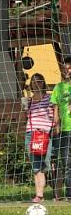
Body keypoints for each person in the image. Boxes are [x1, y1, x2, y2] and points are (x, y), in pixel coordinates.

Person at [25, 73, 54, 203]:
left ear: (43, 83)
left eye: (40, 81)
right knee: (35, 166)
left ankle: (48, 190)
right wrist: (24, 105)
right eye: (34, 81)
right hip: (31, 134)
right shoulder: (29, 100)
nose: (37, 84)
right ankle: (39, 195)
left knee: (44, 165)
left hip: (44, 134)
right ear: (31, 84)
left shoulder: (49, 97)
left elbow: (54, 114)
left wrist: (53, 127)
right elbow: (25, 117)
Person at [51, 56, 71, 200]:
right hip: (65, 130)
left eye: (69, 67)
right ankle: (70, 193)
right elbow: (56, 109)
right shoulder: (59, 87)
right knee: (66, 162)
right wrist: (56, 126)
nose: (67, 70)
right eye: (65, 68)